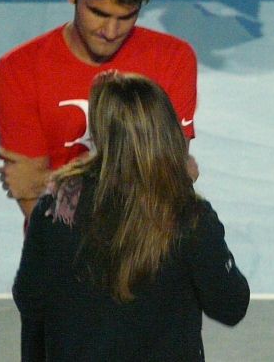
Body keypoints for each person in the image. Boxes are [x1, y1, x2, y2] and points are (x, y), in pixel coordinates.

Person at [13, 72, 249, 361]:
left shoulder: (57, 205)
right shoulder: (190, 218)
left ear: (100, 136)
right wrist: (181, 186)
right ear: (168, 132)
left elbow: (29, 298)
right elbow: (231, 305)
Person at [0, 0, 198, 220]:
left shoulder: (174, 59)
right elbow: (35, 207)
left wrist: (47, 182)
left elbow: (163, 184)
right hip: (61, 256)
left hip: (147, 250)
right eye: (99, 13)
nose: (111, 32)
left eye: (126, 17)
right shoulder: (17, 72)